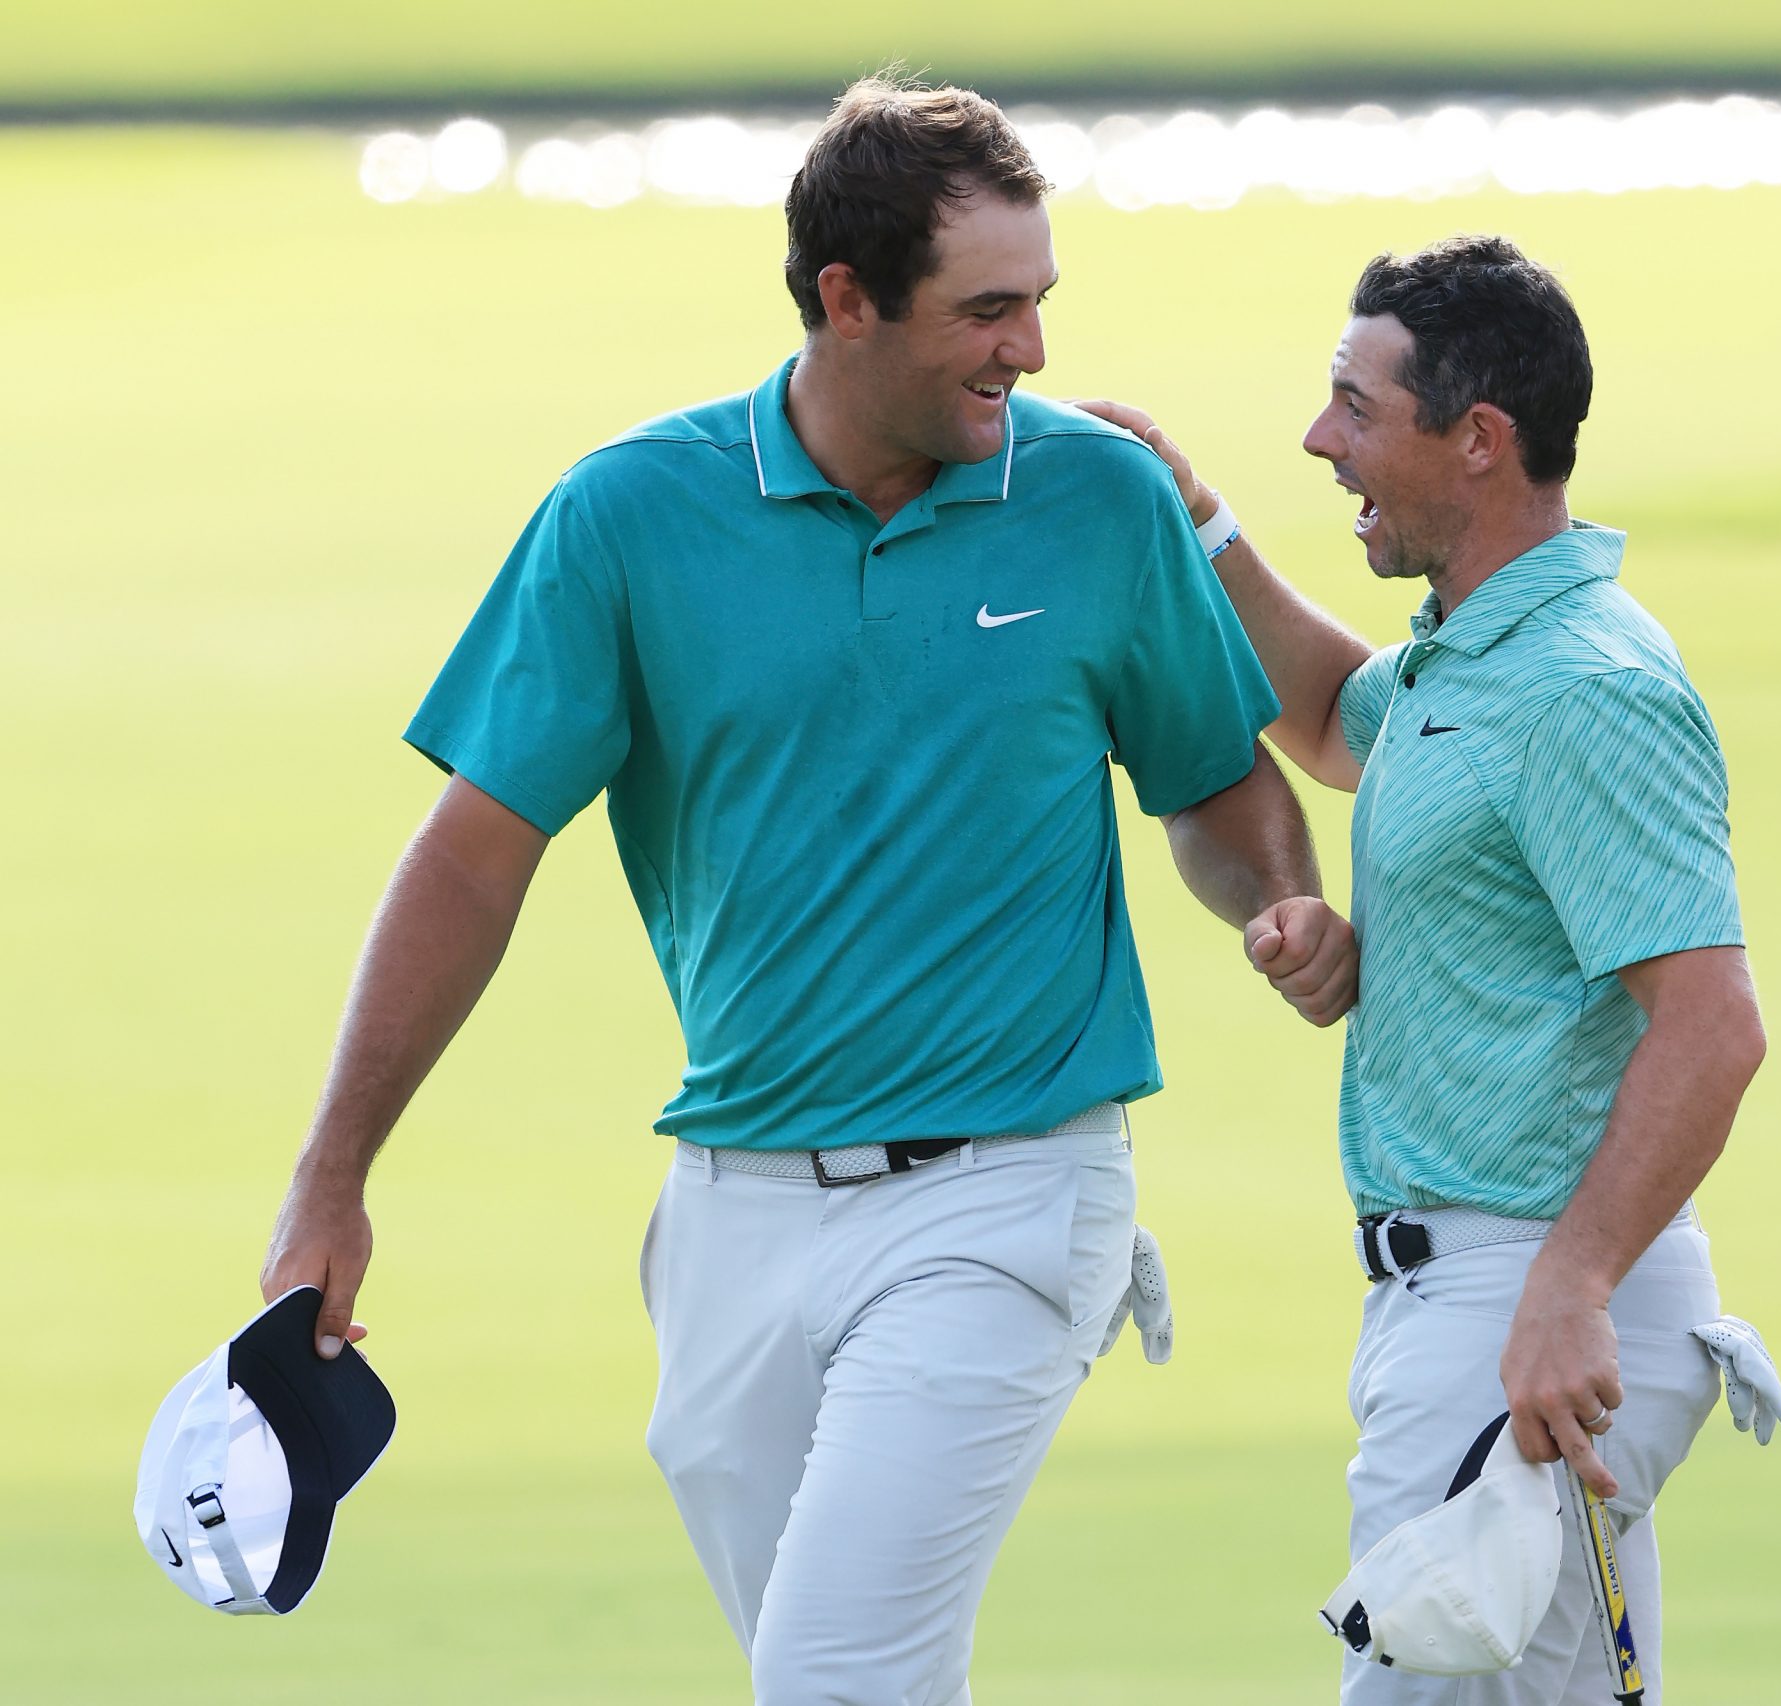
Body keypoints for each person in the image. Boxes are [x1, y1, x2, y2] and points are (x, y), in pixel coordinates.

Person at [258, 77, 1356, 1705]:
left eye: (1040, 305)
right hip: (729, 1217)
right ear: (846, 300)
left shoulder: (1100, 498)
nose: (1032, 354)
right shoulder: (627, 515)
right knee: (838, 1672)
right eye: (988, 311)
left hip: (1010, 1196)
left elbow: (1214, 781)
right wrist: (333, 1174)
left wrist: (1280, 896)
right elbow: (473, 859)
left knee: (836, 1676)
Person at [1082, 233, 1773, 1702]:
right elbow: (1336, 716)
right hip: (1496, 1305)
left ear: (1478, 441)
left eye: (1355, 407)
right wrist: (1198, 520)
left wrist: (1570, 1289)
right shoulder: (1474, 656)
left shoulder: (1589, 689)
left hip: (1527, 1312)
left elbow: (1712, 1026)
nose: (1321, 440)